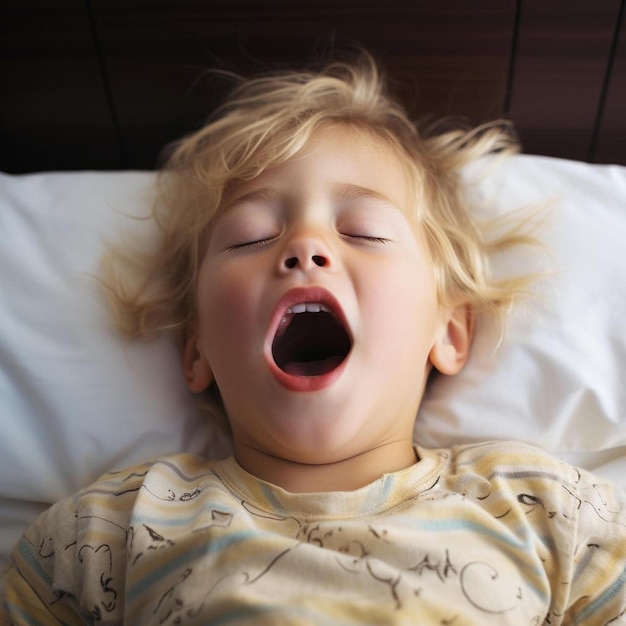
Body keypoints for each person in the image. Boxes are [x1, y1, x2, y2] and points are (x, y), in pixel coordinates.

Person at [2, 53, 625, 625]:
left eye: (365, 231)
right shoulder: (109, 528)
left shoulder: (540, 508)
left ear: (450, 331)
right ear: (197, 351)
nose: (306, 247)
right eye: (249, 237)